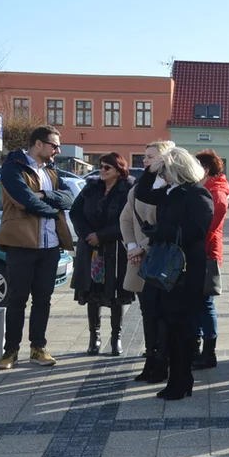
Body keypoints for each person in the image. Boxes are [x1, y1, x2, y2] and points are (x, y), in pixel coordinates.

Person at [135, 147, 214, 400]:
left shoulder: (197, 193)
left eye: (165, 170)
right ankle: (177, 380)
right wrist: (150, 168)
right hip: (169, 270)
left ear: (176, 170)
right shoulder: (170, 192)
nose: (162, 175)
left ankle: (181, 381)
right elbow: (143, 192)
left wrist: (160, 232)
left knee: (182, 327)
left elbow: (197, 231)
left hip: (186, 271)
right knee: (169, 324)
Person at [0, 126, 76, 370]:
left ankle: (38, 347)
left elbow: (70, 198)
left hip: (50, 246)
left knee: (44, 298)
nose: (57, 151)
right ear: (38, 144)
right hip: (21, 245)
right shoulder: (13, 168)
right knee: (17, 298)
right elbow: (24, 201)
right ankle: (11, 351)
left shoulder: (51, 171)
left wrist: (42, 195)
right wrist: (52, 208)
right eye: (54, 146)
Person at [71, 153, 135, 357]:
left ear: (119, 170)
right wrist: (88, 235)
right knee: (92, 293)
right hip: (91, 248)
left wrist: (102, 235)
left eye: (107, 167)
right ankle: (94, 337)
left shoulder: (128, 190)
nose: (102, 170)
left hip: (115, 248)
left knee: (115, 294)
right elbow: (75, 213)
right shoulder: (91, 187)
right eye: (101, 166)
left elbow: (128, 220)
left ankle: (116, 338)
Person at [121, 140, 173, 382]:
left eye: (150, 156)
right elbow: (126, 220)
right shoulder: (138, 187)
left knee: (164, 313)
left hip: (162, 259)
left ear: (165, 159)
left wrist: (142, 247)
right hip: (140, 260)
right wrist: (132, 246)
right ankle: (150, 359)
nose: (145, 160)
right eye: (145, 156)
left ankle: (163, 360)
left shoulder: (173, 187)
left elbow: (168, 227)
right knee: (147, 312)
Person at [192, 149, 229, 370]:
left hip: (207, 253)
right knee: (198, 302)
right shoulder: (208, 188)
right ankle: (196, 348)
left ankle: (209, 353)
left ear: (204, 169)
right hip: (202, 251)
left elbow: (208, 227)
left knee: (205, 303)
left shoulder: (215, 192)